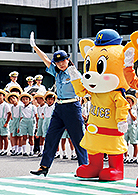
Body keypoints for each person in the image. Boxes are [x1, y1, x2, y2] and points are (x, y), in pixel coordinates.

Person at [29, 32, 87, 176]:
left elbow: (83, 90)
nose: (61, 64)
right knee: (51, 136)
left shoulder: (74, 73)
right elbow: (46, 59)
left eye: (63, 61)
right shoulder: (57, 73)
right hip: (59, 107)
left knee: (78, 139)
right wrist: (35, 47)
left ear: (68, 60)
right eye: (58, 62)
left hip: (72, 107)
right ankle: (44, 167)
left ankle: (84, 168)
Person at [124, 94, 138, 164]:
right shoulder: (124, 111)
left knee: (134, 142)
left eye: (129, 102)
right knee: (125, 142)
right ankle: (126, 157)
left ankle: (134, 157)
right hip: (126, 126)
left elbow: (134, 118)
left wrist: (130, 111)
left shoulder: (133, 111)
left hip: (132, 127)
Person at [0, 90, 11, 156]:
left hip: (3, 120)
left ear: (3, 96)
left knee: (5, 136)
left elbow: (9, 113)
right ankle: (1, 149)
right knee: (0, 137)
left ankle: (6, 149)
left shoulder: (6, 105)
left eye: (0, 96)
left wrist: (6, 122)